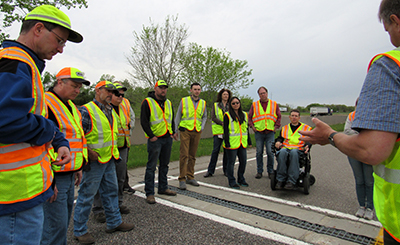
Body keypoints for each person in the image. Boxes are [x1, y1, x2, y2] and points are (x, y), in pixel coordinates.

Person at [299, 1, 400, 243]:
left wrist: (330, 136)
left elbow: (371, 149)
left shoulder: (390, 65)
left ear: (395, 20)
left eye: (387, 28)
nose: (388, 35)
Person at [0, 5, 81, 244]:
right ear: (38, 29)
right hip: (13, 196)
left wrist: (57, 141)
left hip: (23, 191)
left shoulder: (25, 64)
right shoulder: (16, 63)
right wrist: (49, 130)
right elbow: (6, 121)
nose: (60, 48)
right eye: (59, 40)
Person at [73, 81, 134, 244]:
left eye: (112, 91)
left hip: (108, 159)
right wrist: (87, 152)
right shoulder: (86, 110)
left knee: (111, 191)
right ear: (97, 90)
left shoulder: (110, 110)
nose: (110, 94)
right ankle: (79, 230)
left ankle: (114, 222)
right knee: (87, 195)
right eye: (107, 91)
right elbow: (78, 135)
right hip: (95, 161)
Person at [41, 67, 89, 245]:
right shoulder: (47, 102)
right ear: (59, 82)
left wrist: (78, 167)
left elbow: (76, 139)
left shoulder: (71, 107)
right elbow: (41, 144)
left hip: (69, 172)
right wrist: (49, 180)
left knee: (62, 223)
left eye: (79, 87)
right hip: (54, 176)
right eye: (74, 86)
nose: (77, 90)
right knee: (54, 226)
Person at [91, 82, 131, 223]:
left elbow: (128, 123)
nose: (120, 97)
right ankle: (98, 209)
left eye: (122, 94)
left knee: (119, 179)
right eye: (117, 94)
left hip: (121, 147)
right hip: (105, 150)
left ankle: (117, 204)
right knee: (101, 181)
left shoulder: (124, 105)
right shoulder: (103, 109)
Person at [141, 80, 178, 204]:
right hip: (155, 139)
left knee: (164, 165)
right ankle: (149, 193)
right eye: (161, 88)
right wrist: (151, 136)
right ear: (155, 88)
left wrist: (172, 132)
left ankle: (163, 187)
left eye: (165, 88)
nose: (163, 90)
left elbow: (171, 118)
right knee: (151, 167)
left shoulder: (168, 102)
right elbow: (144, 121)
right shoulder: (148, 102)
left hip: (167, 138)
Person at [344, 99, 374, 220]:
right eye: (359, 104)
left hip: (368, 152)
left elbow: (375, 134)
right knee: (359, 180)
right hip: (353, 152)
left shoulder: (373, 115)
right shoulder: (352, 115)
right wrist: (363, 135)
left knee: (369, 181)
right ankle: (361, 206)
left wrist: (357, 134)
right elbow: (347, 131)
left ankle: (370, 208)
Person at [174, 82, 207, 190]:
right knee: (184, 155)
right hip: (185, 130)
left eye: (198, 89)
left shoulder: (203, 103)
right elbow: (178, 115)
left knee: (192, 155)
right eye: (195, 89)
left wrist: (201, 127)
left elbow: (205, 116)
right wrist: (175, 130)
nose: (197, 91)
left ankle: (190, 176)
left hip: (196, 131)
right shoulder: (184, 101)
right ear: (191, 90)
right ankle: (182, 178)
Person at [248, 86, 281, 179]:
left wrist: (276, 126)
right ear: (258, 95)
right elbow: (249, 117)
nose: (263, 95)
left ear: (267, 93)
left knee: (270, 152)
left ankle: (270, 171)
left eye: (264, 93)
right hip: (259, 132)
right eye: (261, 93)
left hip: (270, 131)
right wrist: (252, 127)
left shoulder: (274, 104)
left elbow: (278, 116)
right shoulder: (255, 105)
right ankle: (259, 171)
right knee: (259, 152)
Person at [274, 109, 312, 190]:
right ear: (289, 117)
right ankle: (280, 179)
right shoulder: (285, 128)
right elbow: (280, 138)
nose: (294, 117)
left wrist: (307, 146)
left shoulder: (306, 128)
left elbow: (310, 139)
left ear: (299, 118)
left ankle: (291, 181)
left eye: (296, 116)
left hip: (298, 149)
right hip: (286, 148)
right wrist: (278, 142)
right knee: (282, 152)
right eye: (292, 116)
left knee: (294, 153)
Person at [223, 97, 252, 189]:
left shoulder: (244, 114)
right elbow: (226, 130)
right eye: (233, 103)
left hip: (242, 142)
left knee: (243, 161)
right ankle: (231, 181)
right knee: (231, 163)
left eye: (237, 103)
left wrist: (249, 140)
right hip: (232, 143)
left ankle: (241, 178)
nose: (236, 105)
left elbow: (246, 129)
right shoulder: (227, 115)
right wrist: (226, 142)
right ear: (230, 105)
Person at [204, 89, 232, 178]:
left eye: (227, 94)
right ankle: (210, 171)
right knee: (215, 151)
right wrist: (222, 123)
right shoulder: (216, 105)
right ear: (221, 95)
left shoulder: (231, 105)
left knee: (227, 151)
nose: (225, 96)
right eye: (224, 94)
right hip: (218, 131)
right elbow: (213, 117)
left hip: (228, 132)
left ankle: (226, 170)